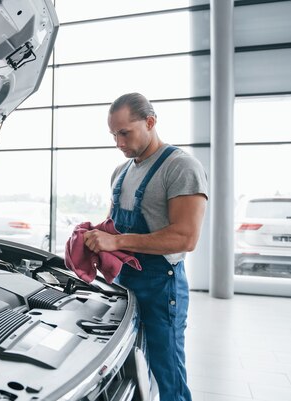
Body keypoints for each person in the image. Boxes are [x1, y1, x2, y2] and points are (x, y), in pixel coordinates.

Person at [83, 92, 208, 401]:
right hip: (124, 284)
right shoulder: (120, 172)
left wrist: (118, 240)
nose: (118, 142)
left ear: (150, 122)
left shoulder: (181, 167)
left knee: (168, 374)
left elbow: (185, 238)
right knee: (130, 371)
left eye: (125, 132)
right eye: (114, 134)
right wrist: (94, 236)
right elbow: (117, 226)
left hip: (161, 287)